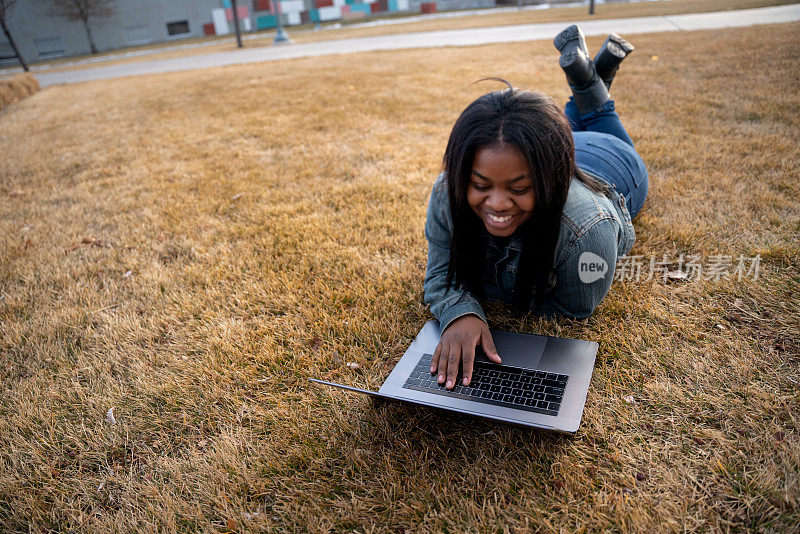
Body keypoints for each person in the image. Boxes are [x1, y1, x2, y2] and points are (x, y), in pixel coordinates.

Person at [424, 25, 649, 391]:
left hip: (611, 163)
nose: (496, 203)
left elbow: (573, 309)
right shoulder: (448, 191)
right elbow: (438, 275)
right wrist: (459, 312)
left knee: (604, 123)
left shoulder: (587, 231)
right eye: (481, 185)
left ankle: (592, 88)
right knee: (565, 128)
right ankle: (591, 81)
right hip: (548, 148)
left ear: (546, 180)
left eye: (518, 189)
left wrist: (478, 290)